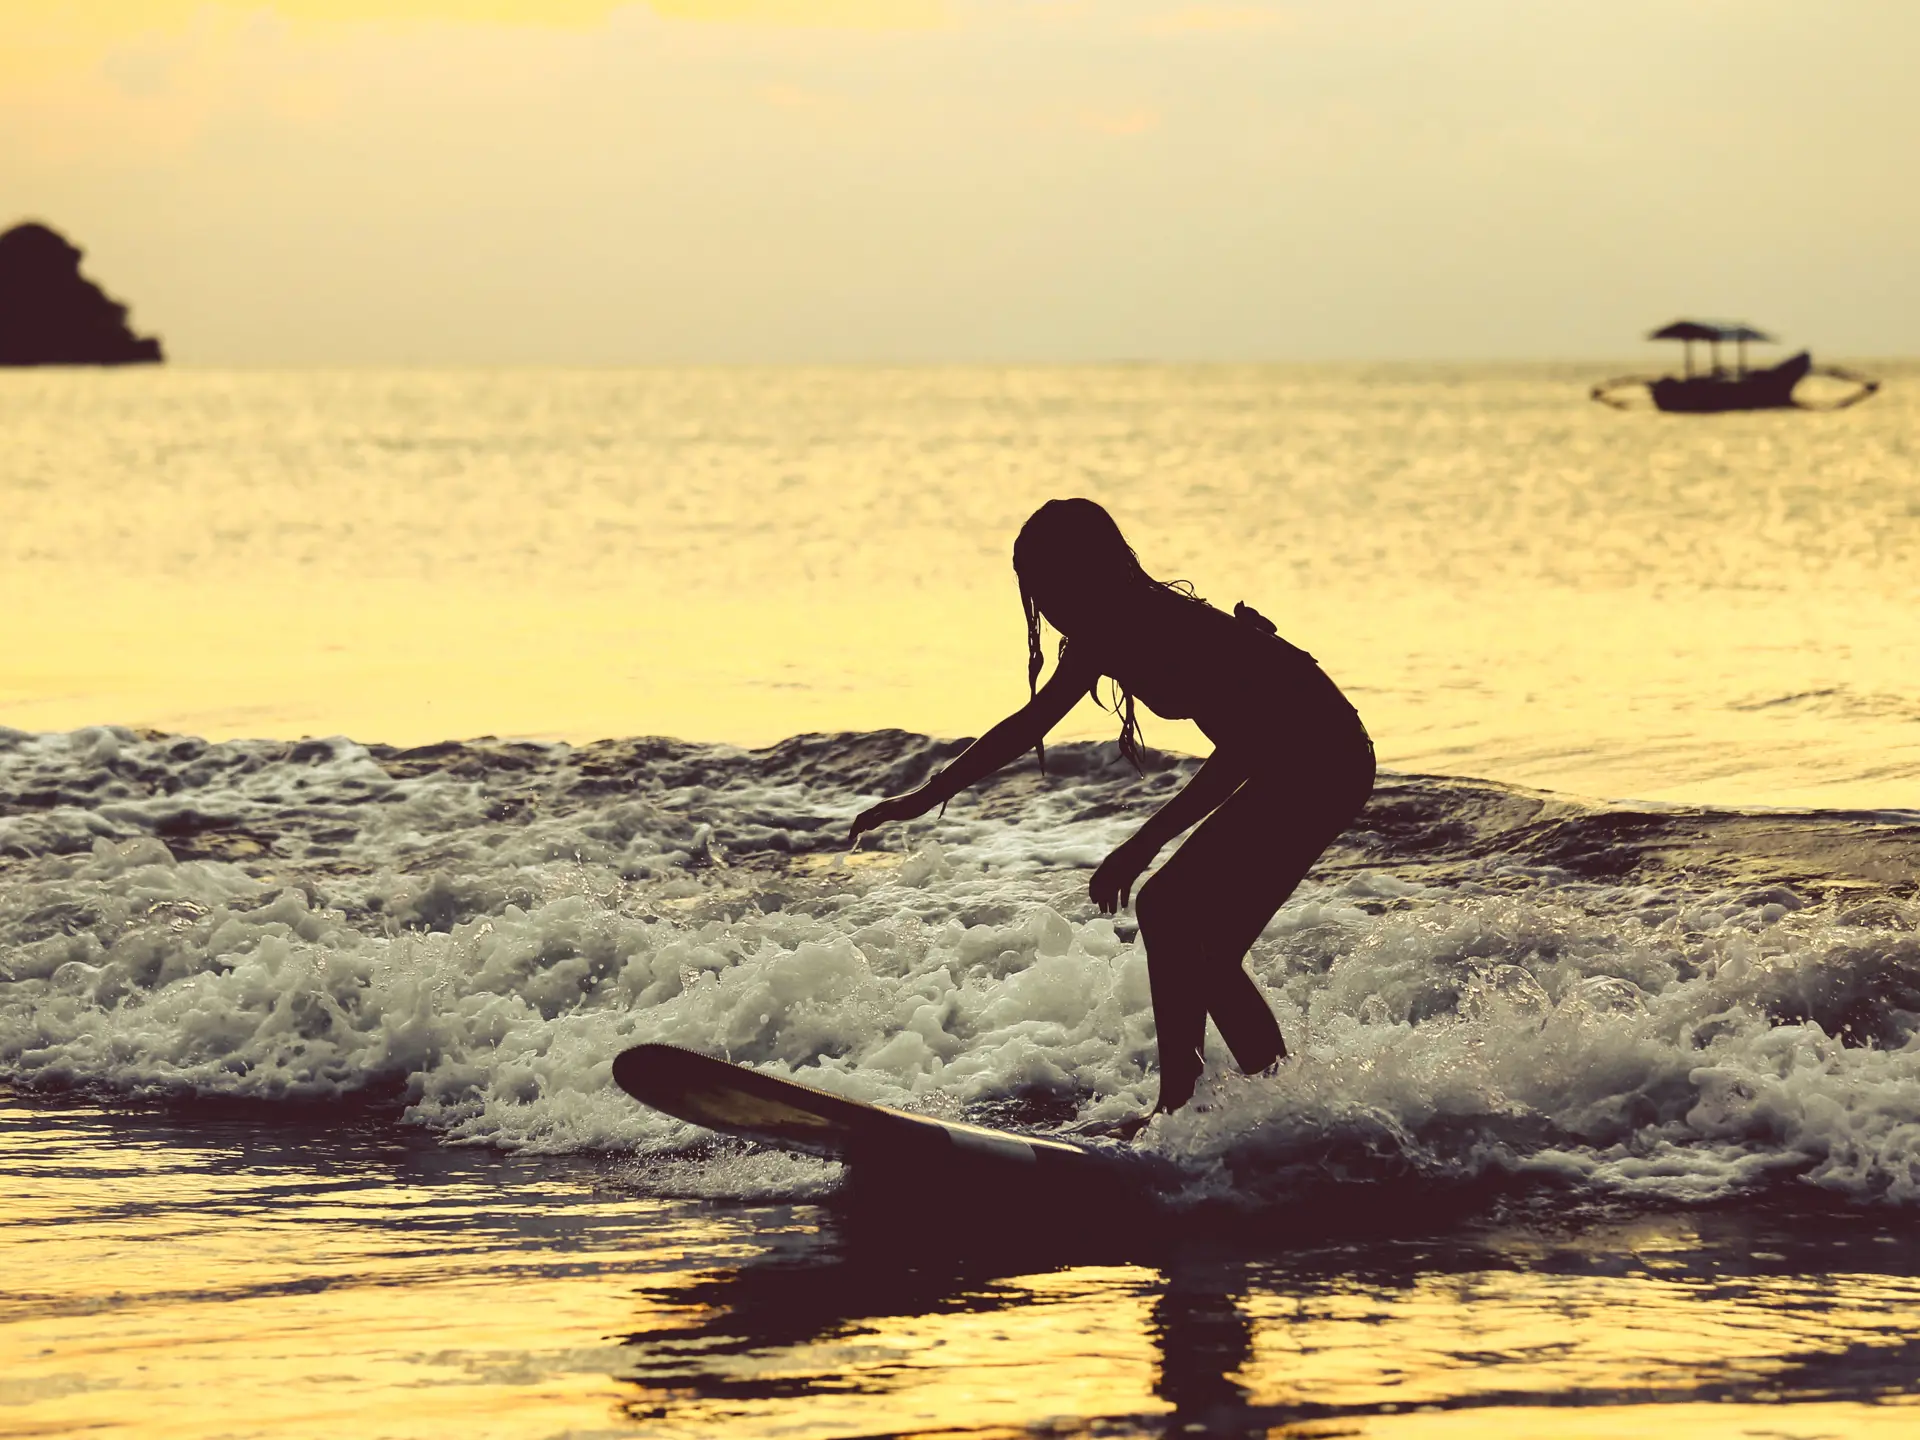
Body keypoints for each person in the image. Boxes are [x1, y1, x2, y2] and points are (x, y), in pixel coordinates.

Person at [848, 498, 1375, 1117]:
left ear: (1092, 571)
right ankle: (1279, 1104)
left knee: (1167, 905)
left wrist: (1140, 846)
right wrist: (926, 796)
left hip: (1325, 759)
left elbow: (1242, 755)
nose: (1044, 602)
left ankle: (1181, 1107)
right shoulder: (1103, 635)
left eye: (1052, 583)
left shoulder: (1164, 626)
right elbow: (1029, 724)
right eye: (1034, 588)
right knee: (1205, 945)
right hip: (1295, 760)